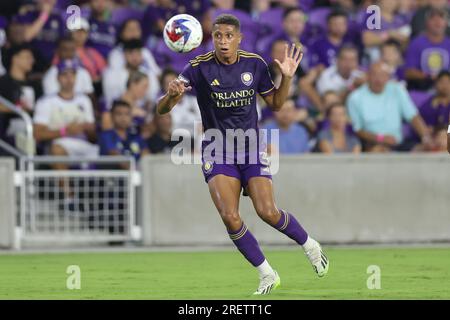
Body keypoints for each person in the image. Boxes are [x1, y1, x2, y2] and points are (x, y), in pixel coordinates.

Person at [156, 14, 329, 295]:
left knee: (267, 212)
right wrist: (172, 96)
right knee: (230, 216)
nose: (223, 41)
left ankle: (310, 245)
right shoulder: (197, 68)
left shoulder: (255, 64)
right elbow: (161, 110)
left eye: (228, 36)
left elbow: (276, 103)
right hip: (216, 148)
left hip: (250, 146)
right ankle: (267, 274)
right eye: (218, 36)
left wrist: (286, 78)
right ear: (211, 38)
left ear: (239, 38)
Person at [347, 61, 432, 152]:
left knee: (426, 149)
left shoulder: (397, 90)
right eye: (375, 75)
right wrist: (381, 138)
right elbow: (357, 130)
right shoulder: (355, 98)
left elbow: (413, 116)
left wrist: (426, 138)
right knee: (378, 151)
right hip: (372, 144)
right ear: (368, 76)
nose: (378, 79)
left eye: (383, 75)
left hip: (399, 143)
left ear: (388, 77)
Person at [405, 8, 450, 91]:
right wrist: (428, 76)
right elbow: (409, 72)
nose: (438, 22)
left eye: (441, 18)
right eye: (433, 18)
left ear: (446, 23)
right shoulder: (416, 43)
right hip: (422, 89)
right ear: (426, 23)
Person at [99, 99, 149, 168]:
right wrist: (137, 171)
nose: (123, 118)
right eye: (119, 114)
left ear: (131, 117)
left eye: (127, 114)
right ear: (112, 116)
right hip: (115, 177)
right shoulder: (106, 136)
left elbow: (146, 155)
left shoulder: (136, 136)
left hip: (137, 175)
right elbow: (116, 157)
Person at [418, 71, 450, 151]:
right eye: (442, 82)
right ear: (436, 84)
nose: (445, 85)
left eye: (448, 82)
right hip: (432, 140)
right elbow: (425, 128)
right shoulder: (428, 105)